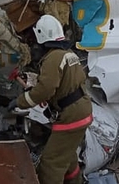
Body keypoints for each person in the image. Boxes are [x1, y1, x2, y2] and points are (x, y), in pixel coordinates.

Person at [10, 15, 92, 184]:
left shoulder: (53, 58)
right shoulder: (68, 55)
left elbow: (45, 90)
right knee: (67, 156)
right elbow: (61, 86)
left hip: (72, 115)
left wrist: (21, 101)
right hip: (82, 110)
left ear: (41, 38)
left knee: (50, 163)